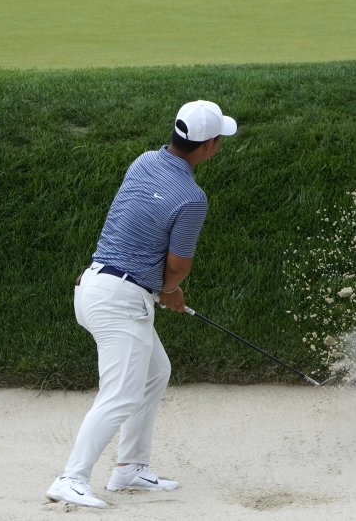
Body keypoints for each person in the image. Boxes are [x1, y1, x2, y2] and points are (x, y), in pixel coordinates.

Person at [46, 100, 237, 509]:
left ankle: (129, 468)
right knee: (120, 395)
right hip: (120, 299)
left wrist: (162, 289)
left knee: (154, 373)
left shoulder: (144, 160)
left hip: (95, 285)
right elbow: (178, 264)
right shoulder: (192, 196)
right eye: (218, 138)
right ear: (208, 147)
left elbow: (137, 225)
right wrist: (169, 290)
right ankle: (71, 477)